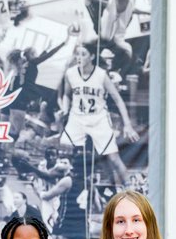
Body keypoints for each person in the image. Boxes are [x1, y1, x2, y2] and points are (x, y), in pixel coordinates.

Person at [58, 44, 137, 187]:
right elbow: (66, 95)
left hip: (98, 118)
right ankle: (72, 188)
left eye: (83, 54)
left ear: (92, 57)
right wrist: (65, 111)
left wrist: (128, 124)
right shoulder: (70, 73)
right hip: (78, 117)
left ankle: (133, 188)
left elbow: (118, 99)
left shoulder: (101, 75)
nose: (79, 58)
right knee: (66, 150)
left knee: (113, 158)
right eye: (77, 54)